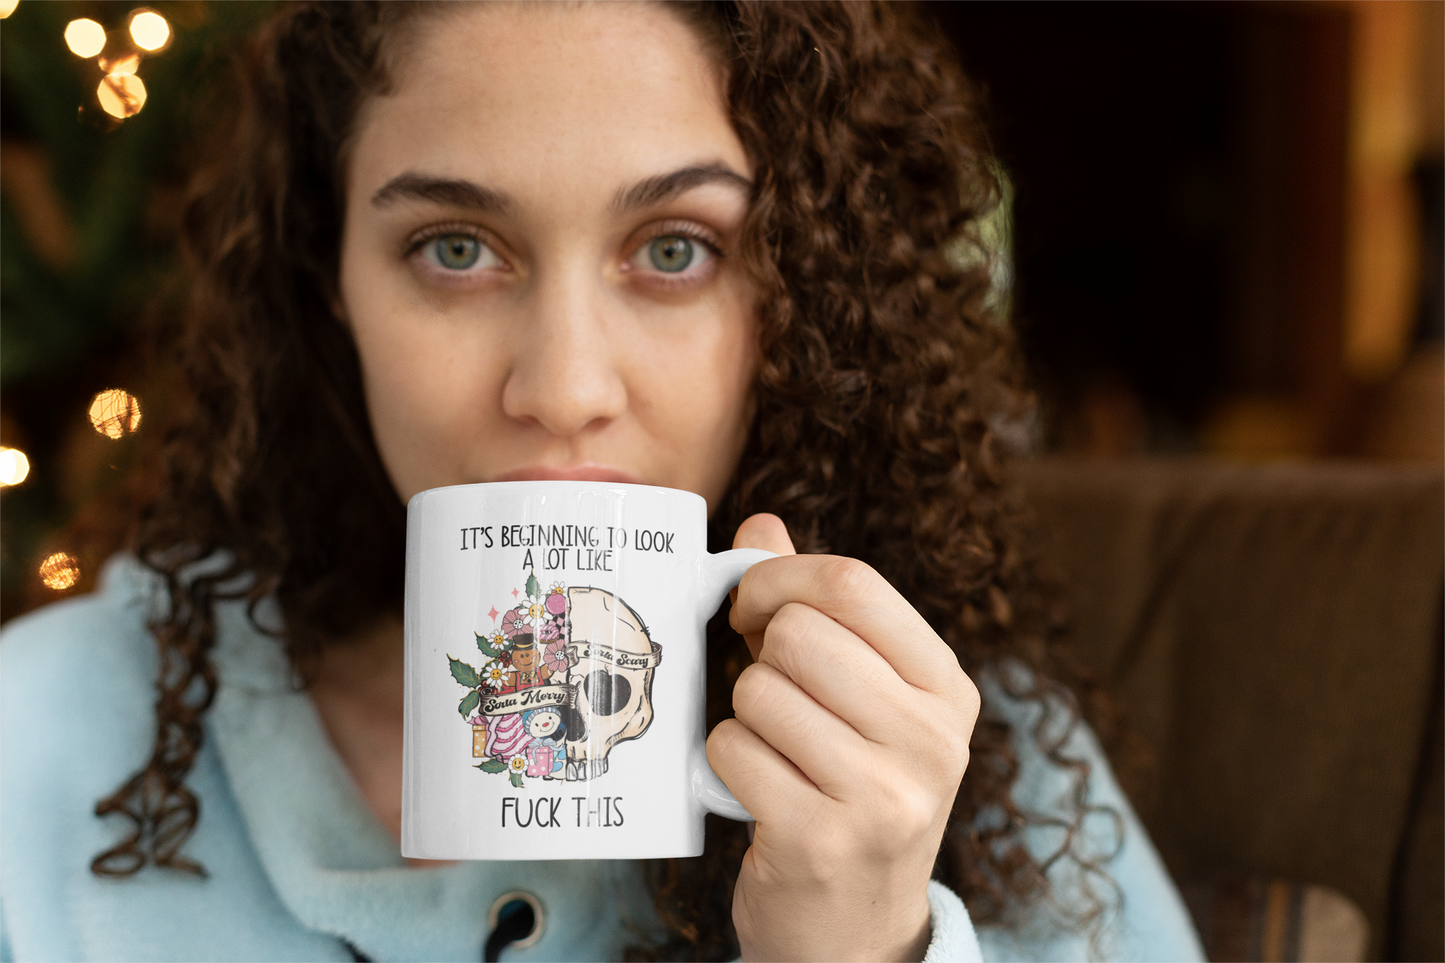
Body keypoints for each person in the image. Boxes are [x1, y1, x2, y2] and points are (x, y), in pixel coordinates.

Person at [0, 3, 1204, 961]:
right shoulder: (43, 736)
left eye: (675, 250)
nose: (564, 387)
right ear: (330, 282)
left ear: (798, 296)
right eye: (455, 248)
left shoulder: (962, 762)